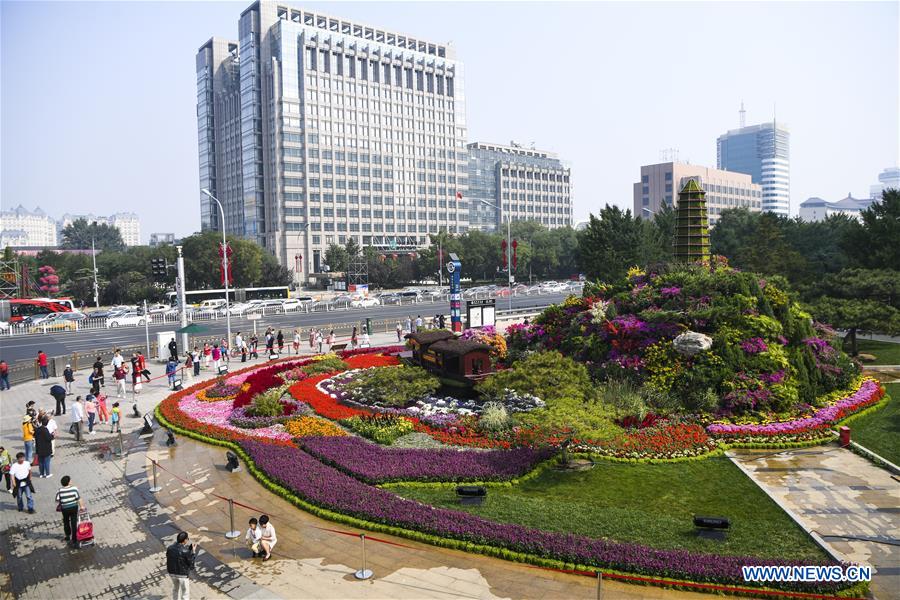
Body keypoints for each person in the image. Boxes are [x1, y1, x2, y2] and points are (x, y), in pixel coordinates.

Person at [166, 531, 196, 600]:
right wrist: (193, 552)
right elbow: (191, 565)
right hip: (182, 575)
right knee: (185, 593)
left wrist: (189, 551)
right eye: (187, 539)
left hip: (172, 573)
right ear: (185, 540)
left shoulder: (170, 548)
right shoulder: (185, 551)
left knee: (175, 589)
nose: (188, 540)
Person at [56, 475, 84, 547]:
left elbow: (57, 499)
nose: (71, 481)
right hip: (73, 508)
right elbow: (78, 498)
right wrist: (82, 507)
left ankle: (68, 535)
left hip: (64, 509)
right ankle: (74, 539)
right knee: (73, 522)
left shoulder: (60, 490)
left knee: (66, 521)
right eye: (70, 480)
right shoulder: (74, 489)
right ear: (68, 482)